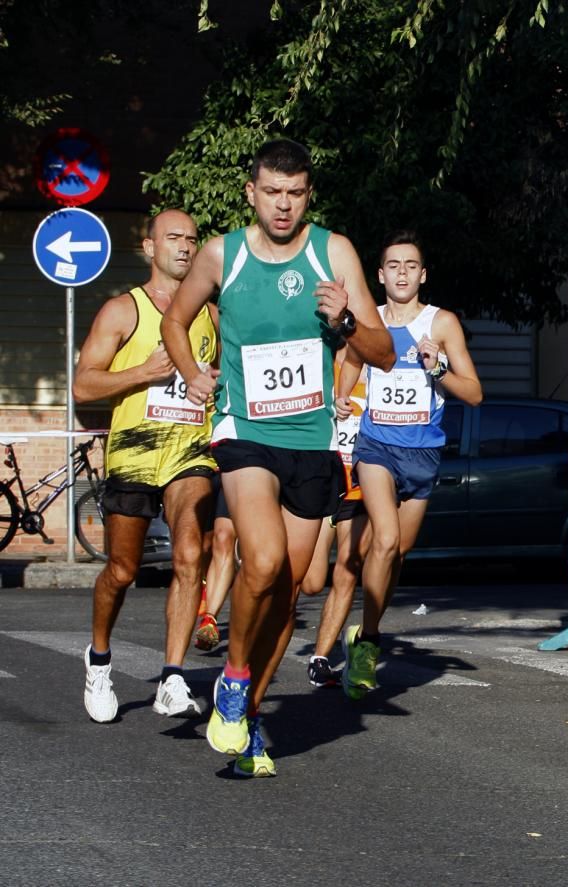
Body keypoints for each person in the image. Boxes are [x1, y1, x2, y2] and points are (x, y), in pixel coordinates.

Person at [162, 138, 394, 777]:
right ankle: (233, 680)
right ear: (251, 194)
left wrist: (346, 321)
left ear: (307, 194)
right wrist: (193, 373)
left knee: (288, 596)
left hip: (312, 441)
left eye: (294, 193)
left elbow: (384, 353)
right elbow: (174, 323)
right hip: (245, 433)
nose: (283, 205)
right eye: (272, 192)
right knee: (259, 560)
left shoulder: (334, 251)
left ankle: (248, 717)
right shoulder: (222, 255)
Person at [75, 208, 216, 723]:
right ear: (149, 247)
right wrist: (143, 372)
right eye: (173, 238)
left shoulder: (211, 316)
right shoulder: (122, 311)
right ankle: (99, 660)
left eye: (192, 239)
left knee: (189, 554)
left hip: (189, 452)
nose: (184, 246)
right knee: (122, 570)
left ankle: (173, 677)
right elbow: (83, 386)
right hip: (134, 451)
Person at [335, 230, 481, 700]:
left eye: (410, 265)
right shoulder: (367, 320)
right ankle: (369, 646)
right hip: (376, 445)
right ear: (380, 275)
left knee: (396, 554)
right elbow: (354, 360)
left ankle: (366, 630)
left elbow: (474, 393)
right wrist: (342, 395)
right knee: (386, 538)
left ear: (423, 274)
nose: (401, 273)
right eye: (393, 265)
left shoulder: (442, 323)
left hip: (423, 453)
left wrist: (437, 368)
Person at [303, 351, 372, 687]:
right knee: (312, 582)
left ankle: (320, 659)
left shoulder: (378, 370)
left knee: (347, 571)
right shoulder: (322, 364)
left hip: (360, 487)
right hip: (323, 482)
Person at [194, 478, 236, 651]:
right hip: (203, 468)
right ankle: (205, 582)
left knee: (223, 537)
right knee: (203, 545)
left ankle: (209, 620)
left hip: (236, 466)